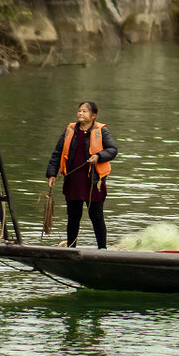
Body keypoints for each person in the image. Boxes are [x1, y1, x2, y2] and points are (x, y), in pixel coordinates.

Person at [46, 101, 119, 249]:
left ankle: (102, 249)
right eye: (79, 111)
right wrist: (52, 174)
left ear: (93, 115)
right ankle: (71, 247)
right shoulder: (70, 129)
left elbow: (112, 150)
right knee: (73, 216)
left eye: (84, 111)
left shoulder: (101, 130)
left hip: (93, 181)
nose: (81, 114)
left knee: (96, 216)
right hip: (73, 180)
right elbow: (57, 152)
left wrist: (99, 156)